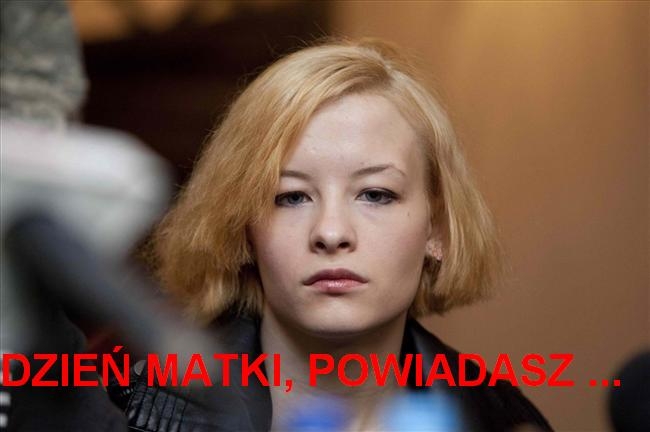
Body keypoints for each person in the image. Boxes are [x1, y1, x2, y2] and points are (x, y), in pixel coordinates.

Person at [109, 38, 552, 431]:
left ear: (437, 228)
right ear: (242, 228)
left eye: (375, 194)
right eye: (291, 197)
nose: (331, 232)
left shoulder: (504, 420)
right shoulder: (125, 413)